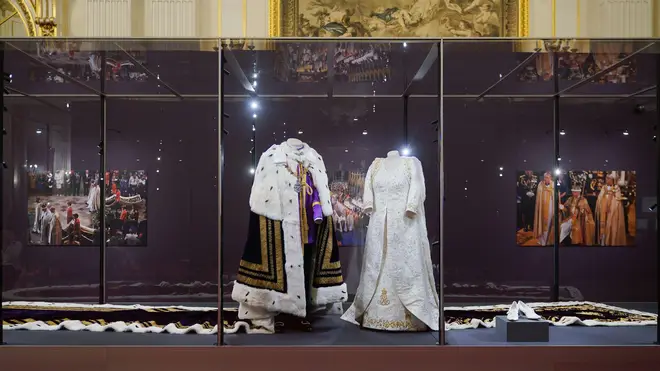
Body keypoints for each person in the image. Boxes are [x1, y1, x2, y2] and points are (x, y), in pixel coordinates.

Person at [341, 151, 438, 331]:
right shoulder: (375, 165)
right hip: (379, 226)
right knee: (377, 264)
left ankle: (410, 314)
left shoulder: (412, 163)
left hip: (405, 225)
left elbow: (418, 187)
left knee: (405, 265)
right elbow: (368, 189)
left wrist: (411, 207)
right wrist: (368, 205)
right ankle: (375, 314)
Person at [595, 172, 627, 246]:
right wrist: (603, 202)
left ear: (613, 180)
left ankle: (611, 242)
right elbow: (599, 198)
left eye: (608, 178)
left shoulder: (616, 188)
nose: (607, 180)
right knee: (604, 227)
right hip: (604, 211)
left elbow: (618, 200)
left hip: (612, 213)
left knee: (611, 227)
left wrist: (611, 204)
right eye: (606, 178)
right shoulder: (604, 187)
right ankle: (603, 242)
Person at [533, 172, 555, 246]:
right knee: (542, 223)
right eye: (546, 177)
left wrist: (550, 191)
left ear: (551, 178)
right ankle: (542, 240)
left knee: (550, 223)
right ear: (544, 178)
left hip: (551, 208)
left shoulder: (553, 184)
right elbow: (538, 196)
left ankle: (549, 240)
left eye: (548, 177)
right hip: (542, 208)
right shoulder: (540, 184)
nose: (547, 179)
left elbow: (555, 194)